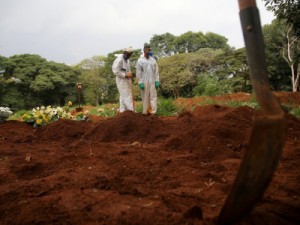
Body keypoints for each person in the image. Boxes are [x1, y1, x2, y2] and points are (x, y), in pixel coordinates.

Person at [136, 44, 160, 115]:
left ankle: (153, 113)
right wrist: (140, 82)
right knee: (145, 98)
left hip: (152, 81)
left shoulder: (153, 60)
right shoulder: (140, 60)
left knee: (153, 97)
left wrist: (157, 81)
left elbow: (156, 72)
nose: (150, 51)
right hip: (144, 82)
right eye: (149, 50)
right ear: (144, 50)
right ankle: (145, 112)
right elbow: (138, 72)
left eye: (150, 50)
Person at [112, 47, 134, 113]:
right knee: (127, 97)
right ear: (124, 53)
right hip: (121, 81)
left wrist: (130, 75)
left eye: (129, 55)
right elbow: (115, 71)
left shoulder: (128, 60)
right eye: (127, 54)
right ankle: (132, 112)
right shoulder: (119, 60)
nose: (128, 56)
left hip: (127, 80)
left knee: (123, 97)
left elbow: (128, 71)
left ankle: (122, 112)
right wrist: (125, 75)